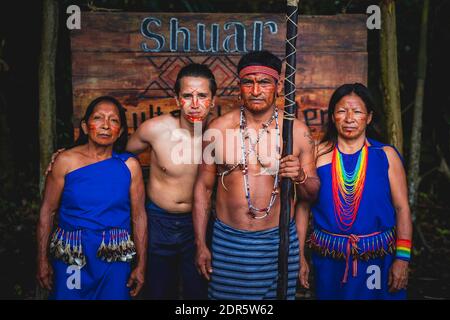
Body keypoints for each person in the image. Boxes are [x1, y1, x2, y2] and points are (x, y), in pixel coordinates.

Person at [192, 50, 320, 300]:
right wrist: (200, 243)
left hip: (279, 241)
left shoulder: (297, 132)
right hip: (229, 242)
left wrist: (301, 176)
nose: (255, 90)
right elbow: (203, 189)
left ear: (279, 85)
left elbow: (312, 194)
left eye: (264, 82)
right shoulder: (217, 129)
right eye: (248, 82)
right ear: (239, 86)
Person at [300, 83, 413, 299]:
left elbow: (402, 208)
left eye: (357, 111)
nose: (349, 118)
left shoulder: (386, 155)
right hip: (330, 260)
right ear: (333, 116)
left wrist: (402, 258)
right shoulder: (316, 155)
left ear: (368, 117)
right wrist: (299, 257)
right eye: (342, 111)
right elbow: (303, 207)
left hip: (378, 259)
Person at [36, 96, 147, 300]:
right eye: (98, 118)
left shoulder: (129, 166)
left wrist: (141, 264)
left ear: (120, 131)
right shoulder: (65, 161)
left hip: (114, 254)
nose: (105, 125)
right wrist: (42, 260)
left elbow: (139, 216)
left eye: (113, 120)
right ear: (86, 127)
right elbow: (47, 210)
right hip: (73, 253)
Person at [126, 63, 216, 299]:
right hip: (157, 221)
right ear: (177, 99)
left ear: (213, 100)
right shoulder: (155, 129)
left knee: (198, 292)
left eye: (202, 96)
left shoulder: (221, 135)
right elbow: (116, 157)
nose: (195, 104)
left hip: (199, 223)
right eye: (187, 96)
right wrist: (71, 154)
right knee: (156, 291)